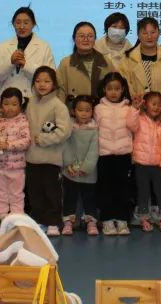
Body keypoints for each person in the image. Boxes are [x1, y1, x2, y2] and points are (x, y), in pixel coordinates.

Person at [25, 66, 70, 237]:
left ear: (54, 84)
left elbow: (64, 131)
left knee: (52, 192)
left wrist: (43, 139)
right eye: (38, 81)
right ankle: (39, 220)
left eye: (46, 81)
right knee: (35, 192)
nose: (42, 84)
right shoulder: (31, 103)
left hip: (51, 158)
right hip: (32, 158)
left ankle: (53, 222)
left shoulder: (58, 106)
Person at [94, 71, 137, 236]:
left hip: (123, 155)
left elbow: (134, 127)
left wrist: (135, 110)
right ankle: (106, 220)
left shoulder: (128, 108)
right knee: (105, 188)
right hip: (104, 155)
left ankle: (122, 219)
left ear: (123, 89)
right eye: (110, 88)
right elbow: (94, 130)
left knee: (123, 189)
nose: (113, 92)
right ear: (104, 89)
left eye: (117, 89)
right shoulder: (98, 108)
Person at [0, 88, 31, 222]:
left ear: (20, 105)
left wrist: (8, 145)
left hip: (17, 166)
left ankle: (17, 218)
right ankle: (3, 218)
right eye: (6, 104)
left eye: (14, 104)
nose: (10, 108)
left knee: (16, 194)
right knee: (0, 193)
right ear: (1, 105)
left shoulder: (23, 121)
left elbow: (26, 141)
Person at [0, 7, 57, 101]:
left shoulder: (44, 47)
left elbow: (51, 78)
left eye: (26, 23)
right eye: (18, 22)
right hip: (7, 101)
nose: (22, 26)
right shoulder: (2, 46)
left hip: (34, 100)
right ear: (13, 24)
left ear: (33, 24)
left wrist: (26, 65)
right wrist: (10, 63)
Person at [132, 91, 161, 233]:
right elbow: (130, 124)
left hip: (157, 165)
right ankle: (144, 218)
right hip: (140, 164)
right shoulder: (139, 119)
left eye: (160, 105)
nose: (156, 107)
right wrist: (135, 109)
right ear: (145, 105)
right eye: (153, 104)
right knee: (143, 191)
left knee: (160, 191)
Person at [62, 95, 100, 236]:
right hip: (69, 170)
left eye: (87, 110)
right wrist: (68, 164)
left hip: (88, 172)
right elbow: (65, 146)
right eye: (80, 110)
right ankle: (68, 222)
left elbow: (94, 150)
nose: (84, 113)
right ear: (73, 111)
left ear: (92, 112)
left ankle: (90, 222)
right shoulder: (69, 128)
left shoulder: (94, 129)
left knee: (89, 197)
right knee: (69, 197)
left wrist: (86, 168)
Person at [121, 16, 161, 100]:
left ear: (159, 33)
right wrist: (137, 102)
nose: (149, 37)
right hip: (136, 106)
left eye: (153, 32)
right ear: (138, 35)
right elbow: (125, 86)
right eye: (145, 33)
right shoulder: (128, 57)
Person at [57, 22, 112, 103]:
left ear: (95, 39)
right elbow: (60, 92)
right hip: (73, 109)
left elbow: (115, 86)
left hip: (101, 109)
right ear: (74, 39)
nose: (86, 39)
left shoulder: (105, 61)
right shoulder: (65, 63)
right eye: (81, 36)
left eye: (90, 36)